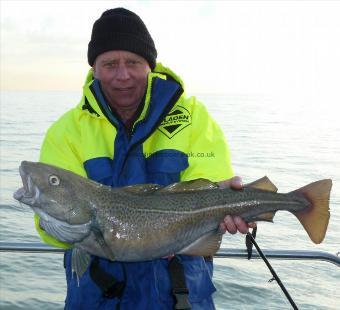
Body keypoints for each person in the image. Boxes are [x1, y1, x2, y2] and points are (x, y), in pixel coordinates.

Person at [35, 8, 255, 310]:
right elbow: (52, 221)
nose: (122, 75)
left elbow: (210, 186)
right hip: (97, 299)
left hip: (181, 295)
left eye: (133, 63)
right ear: (94, 69)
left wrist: (225, 207)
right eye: (110, 64)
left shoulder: (192, 119)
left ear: (149, 65)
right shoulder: (66, 132)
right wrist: (53, 224)